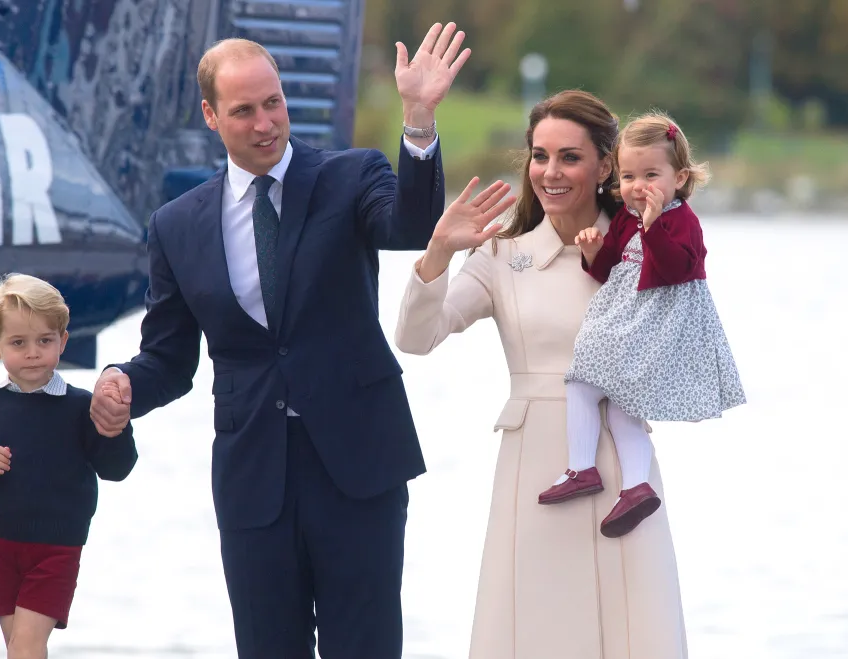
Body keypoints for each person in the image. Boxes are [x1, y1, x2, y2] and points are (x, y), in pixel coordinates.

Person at [88, 23, 468, 658]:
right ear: (211, 116)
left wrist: (420, 121)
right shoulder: (176, 225)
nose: (265, 123)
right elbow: (169, 359)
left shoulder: (352, 176)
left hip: (358, 465)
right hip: (253, 478)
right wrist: (123, 383)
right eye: (244, 111)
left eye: (274, 103)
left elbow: (411, 225)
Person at [394, 90, 688, 657]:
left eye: (569, 157)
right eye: (540, 155)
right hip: (536, 471)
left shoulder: (647, 245)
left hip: (625, 472)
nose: (550, 172)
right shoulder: (502, 256)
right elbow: (416, 338)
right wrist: (438, 251)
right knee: (533, 626)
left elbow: (678, 337)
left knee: (634, 630)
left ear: (606, 166)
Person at [539, 112, 746, 537]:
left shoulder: (679, 219)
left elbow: (674, 269)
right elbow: (607, 271)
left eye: (651, 174)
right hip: (631, 320)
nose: (638, 187)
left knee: (581, 378)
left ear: (679, 176)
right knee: (620, 405)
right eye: (629, 176)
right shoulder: (625, 220)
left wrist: (652, 227)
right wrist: (595, 252)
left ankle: (582, 468)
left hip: (659, 325)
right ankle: (635, 487)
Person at [0, 274, 138, 659]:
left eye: (45, 341)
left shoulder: (81, 406)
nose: (33, 352)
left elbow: (116, 468)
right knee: (20, 649)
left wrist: (117, 427)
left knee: (27, 647)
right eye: (18, 343)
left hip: (57, 547)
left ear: (63, 342)